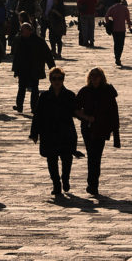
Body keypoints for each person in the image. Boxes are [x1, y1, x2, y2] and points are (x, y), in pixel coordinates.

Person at [29, 67, 77, 197]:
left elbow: (77, 112)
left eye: (60, 78)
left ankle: (65, 178)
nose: (57, 81)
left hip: (66, 132)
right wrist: (34, 133)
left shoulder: (70, 95)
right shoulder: (44, 96)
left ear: (63, 79)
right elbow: (37, 115)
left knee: (67, 158)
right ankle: (56, 184)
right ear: (50, 80)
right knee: (52, 160)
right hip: (48, 133)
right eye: (54, 78)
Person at [74, 68, 121, 196]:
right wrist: (86, 117)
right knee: (92, 154)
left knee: (96, 156)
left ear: (101, 77)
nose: (94, 79)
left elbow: (114, 113)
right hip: (88, 128)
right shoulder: (85, 91)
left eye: (97, 76)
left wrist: (116, 134)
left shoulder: (108, 92)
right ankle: (92, 184)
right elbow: (75, 109)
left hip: (102, 128)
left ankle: (93, 183)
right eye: (92, 76)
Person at [11, 23, 55, 114]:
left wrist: (52, 68)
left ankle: (34, 107)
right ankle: (19, 106)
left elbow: (48, 55)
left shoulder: (39, 41)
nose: (21, 32)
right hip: (23, 69)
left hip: (35, 68)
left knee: (35, 88)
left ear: (29, 31)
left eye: (23, 30)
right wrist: (15, 69)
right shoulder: (19, 40)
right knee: (21, 87)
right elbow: (16, 56)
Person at [105, 0, 132, 67]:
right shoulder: (124, 8)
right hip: (122, 29)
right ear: (121, 0)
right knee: (121, 44)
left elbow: (106, 16)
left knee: (116, 43)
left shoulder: (112, 8)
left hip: (114, 29)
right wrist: (129, 25)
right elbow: (128, 18)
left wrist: (108, 23)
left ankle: (116, 57)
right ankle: (118, 56)